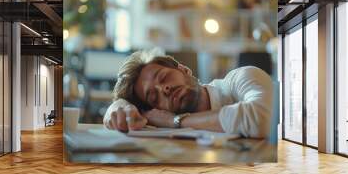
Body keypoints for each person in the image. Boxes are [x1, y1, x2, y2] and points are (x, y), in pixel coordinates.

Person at [104, 49, 273, 138]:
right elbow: (120, 113)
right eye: (154, 97)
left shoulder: (241, 78)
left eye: (164, 77)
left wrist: (176, 121)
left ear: (184, 70)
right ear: (157, 110)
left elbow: (265, 120)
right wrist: (118, 106)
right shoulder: (159, 123)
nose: (164, 89)